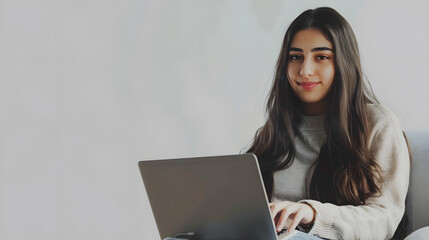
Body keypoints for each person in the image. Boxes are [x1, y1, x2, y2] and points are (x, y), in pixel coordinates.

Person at [247, 7, 411, 240]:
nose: (305, 70)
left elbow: (384, 218)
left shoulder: (378, 124)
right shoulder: (273, 131)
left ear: (343, 63)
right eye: (295, 57)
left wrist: (312, 214)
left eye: (321, 57)